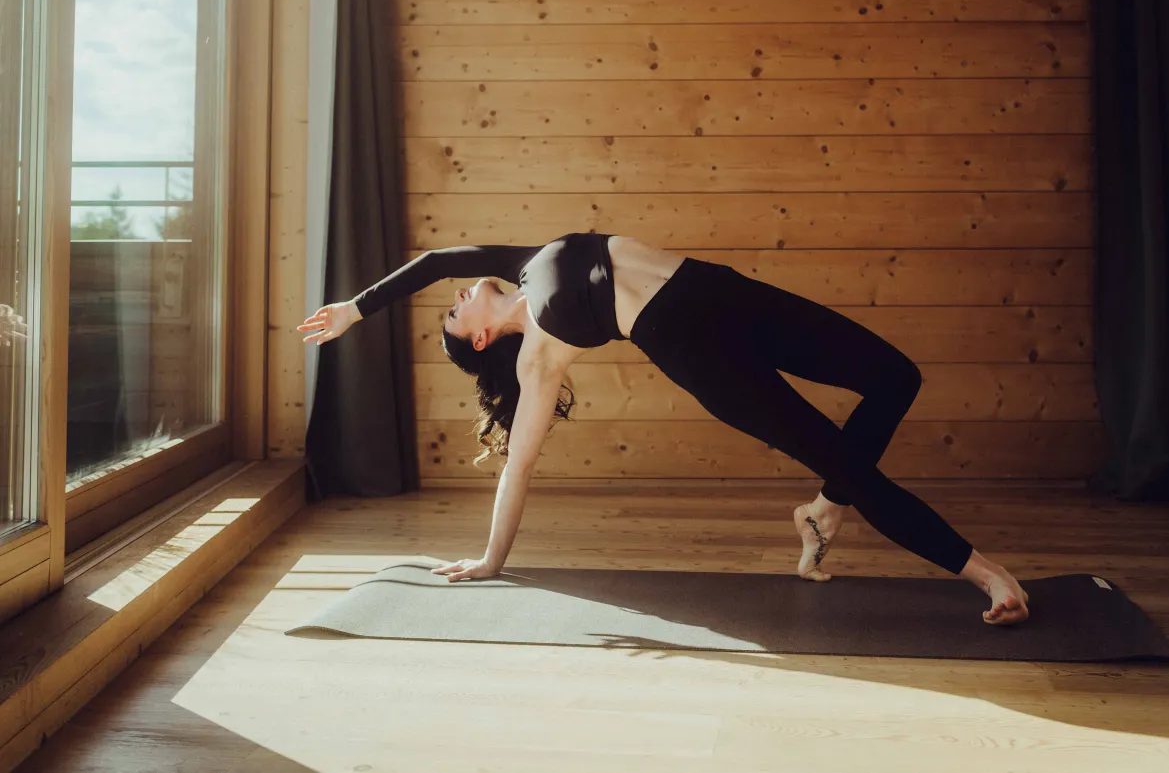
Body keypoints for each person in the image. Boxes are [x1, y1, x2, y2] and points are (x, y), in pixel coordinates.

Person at [298, 232, 1030, 625]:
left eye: (453, 303)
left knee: (895, 374)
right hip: (703, 359)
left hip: (725, 294)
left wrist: (356, 308)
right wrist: (490, 559)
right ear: (482, 340)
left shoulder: (519, 264)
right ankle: (984, 573)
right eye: (456, 314)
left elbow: (435, 260)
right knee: (853, 462)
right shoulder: (540, 363)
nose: (457, 296)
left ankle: (823, 505)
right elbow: (517, 468)